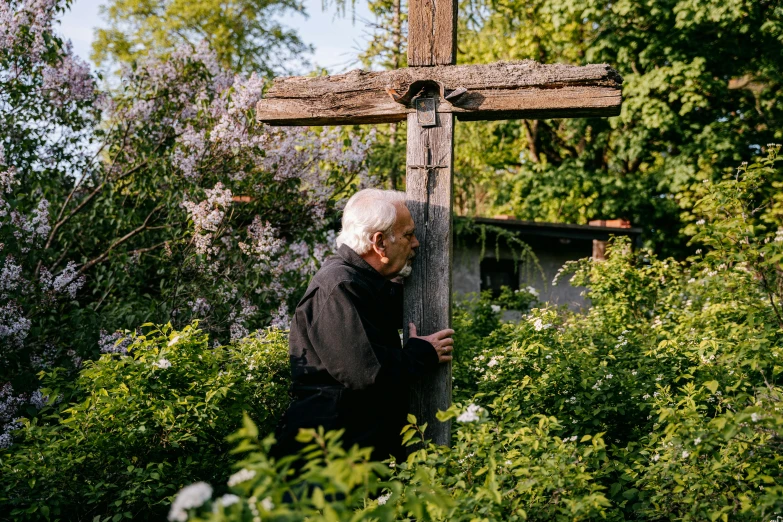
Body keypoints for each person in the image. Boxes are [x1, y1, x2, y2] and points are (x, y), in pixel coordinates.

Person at [272, 188, 454, 463]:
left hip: (349, 448)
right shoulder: (340, 286)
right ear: (379, 243)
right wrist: (422, 353)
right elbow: (368, 374)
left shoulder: (362, 283)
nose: (416, 243)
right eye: (408, 235)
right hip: (328, 455)